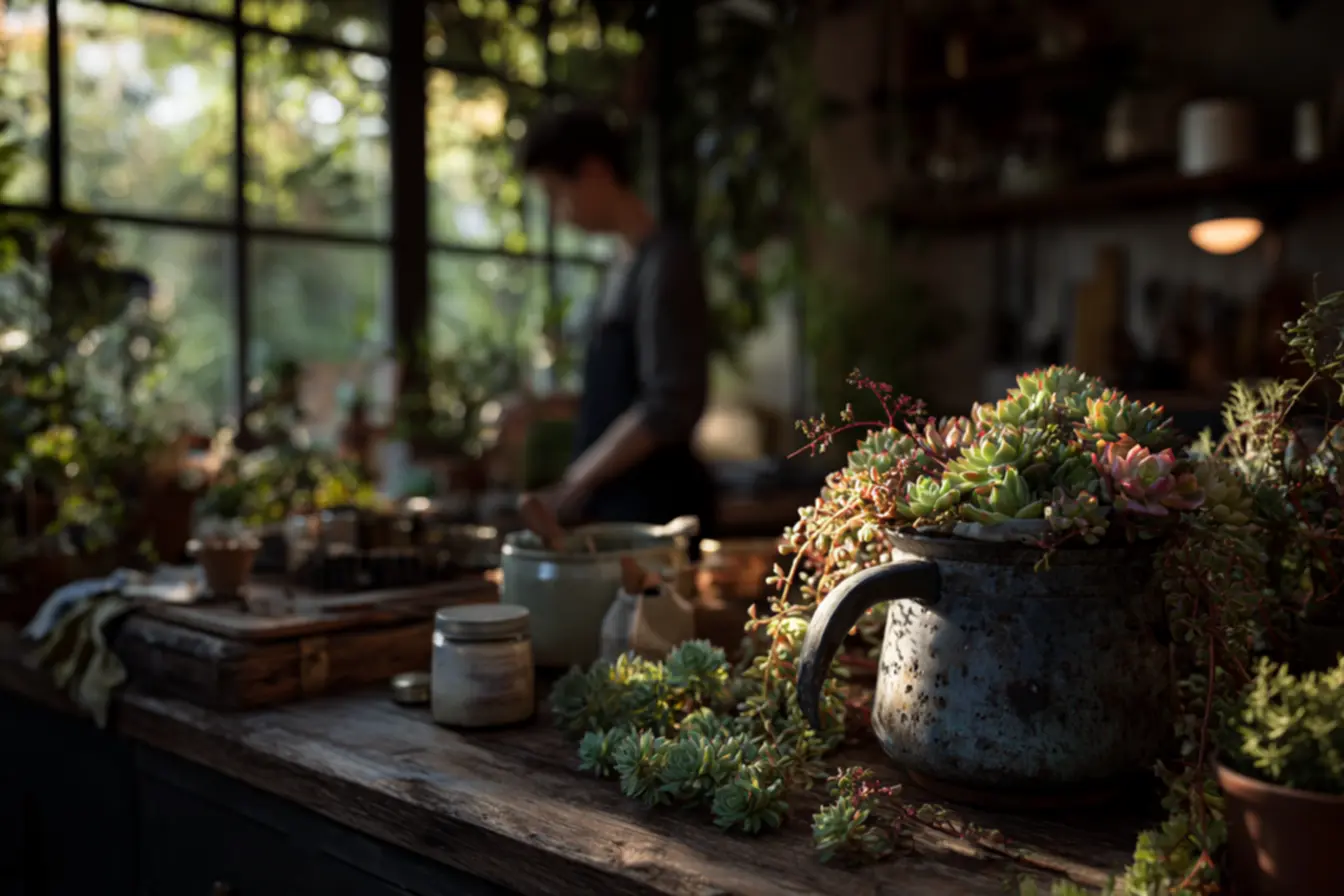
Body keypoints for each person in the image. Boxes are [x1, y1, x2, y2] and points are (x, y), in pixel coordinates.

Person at [514, 104, 717, 549]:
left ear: (594, 171)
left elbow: (668, 403)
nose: (557, 215)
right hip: (616, 506)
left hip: (655, 511)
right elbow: (617, 394)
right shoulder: (620, 267)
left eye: (555, 193)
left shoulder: (667, 262)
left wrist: (573, 483)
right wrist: (542, 407)